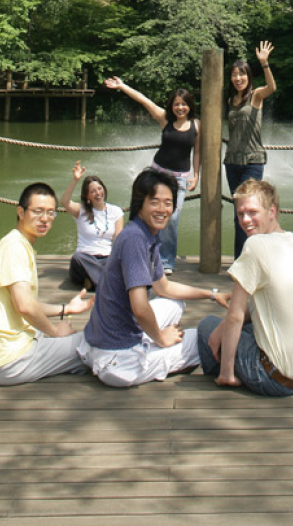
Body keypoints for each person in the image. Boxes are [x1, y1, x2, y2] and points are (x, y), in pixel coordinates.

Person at [79, 168, 228, 387]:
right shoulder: (135, 240)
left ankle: (154, 344)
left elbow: (164, 288)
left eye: (168, 203)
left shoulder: (145, 235)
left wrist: (213, 294)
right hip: (118, 360)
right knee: (203, 338)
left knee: (176, 303)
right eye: (155, 202)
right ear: (140, 204)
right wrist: (161, 337)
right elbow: (140, 308)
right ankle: (156, 349)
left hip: (102, 340)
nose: (162, 209)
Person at [196, 178, 293, 396]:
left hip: (273, 378)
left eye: (253, 212)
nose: (245, 220)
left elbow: (235, 316)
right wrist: (223, 328)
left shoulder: (254, 245)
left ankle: (222, 376)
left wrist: (227, 372)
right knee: (228, 328)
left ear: (272, 212)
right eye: (240, 214)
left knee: (206, 326)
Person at [0, 182, 92, 385]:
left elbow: (24, 303)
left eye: (51, 213)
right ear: (21, 212)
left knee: (76, 345)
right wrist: (56, 332)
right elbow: (25, 306)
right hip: (7, 360)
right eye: (38, 211)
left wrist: (66, 309)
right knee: (92, 342)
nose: (45, 219)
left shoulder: (17, 243)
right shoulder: (15, 247)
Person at [103, 76, 199, 272]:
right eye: (176, 104)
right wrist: (122, 86)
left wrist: (196, 174)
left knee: (171, 217)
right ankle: (138, 251)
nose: (180, 108)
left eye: (184, 104)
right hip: (157, 172)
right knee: (146, 212)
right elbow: (143, 99)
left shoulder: (197, 125)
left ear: (190, 105)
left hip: (179, 178)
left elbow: (198, 151)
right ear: (171, 106)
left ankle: (165, 261)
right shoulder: (165, 119)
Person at [223, 40, 276, 257]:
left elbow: (272, 88)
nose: (238, 78)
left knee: (252, 212)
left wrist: (264, 63)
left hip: (253, 161)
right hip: (232, 162)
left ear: (248, 76)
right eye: (235, 75)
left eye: (242, 74)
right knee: (239, 214)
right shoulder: (231, 100)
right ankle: (240, 259)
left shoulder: (255, 96)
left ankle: (257, 256)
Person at [60, 162, 124, 289]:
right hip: (85, 259)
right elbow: (65, 201)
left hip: (107, 258)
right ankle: (107, 284)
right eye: (93, 191)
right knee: (78, 258)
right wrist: (75, 180)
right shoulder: (81, 210)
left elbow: (119, 236)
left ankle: (94, 281)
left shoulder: (115, 211)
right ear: (87, 196)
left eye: (99, 189)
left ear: (104, 190)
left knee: (118, 262)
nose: (98, 193)